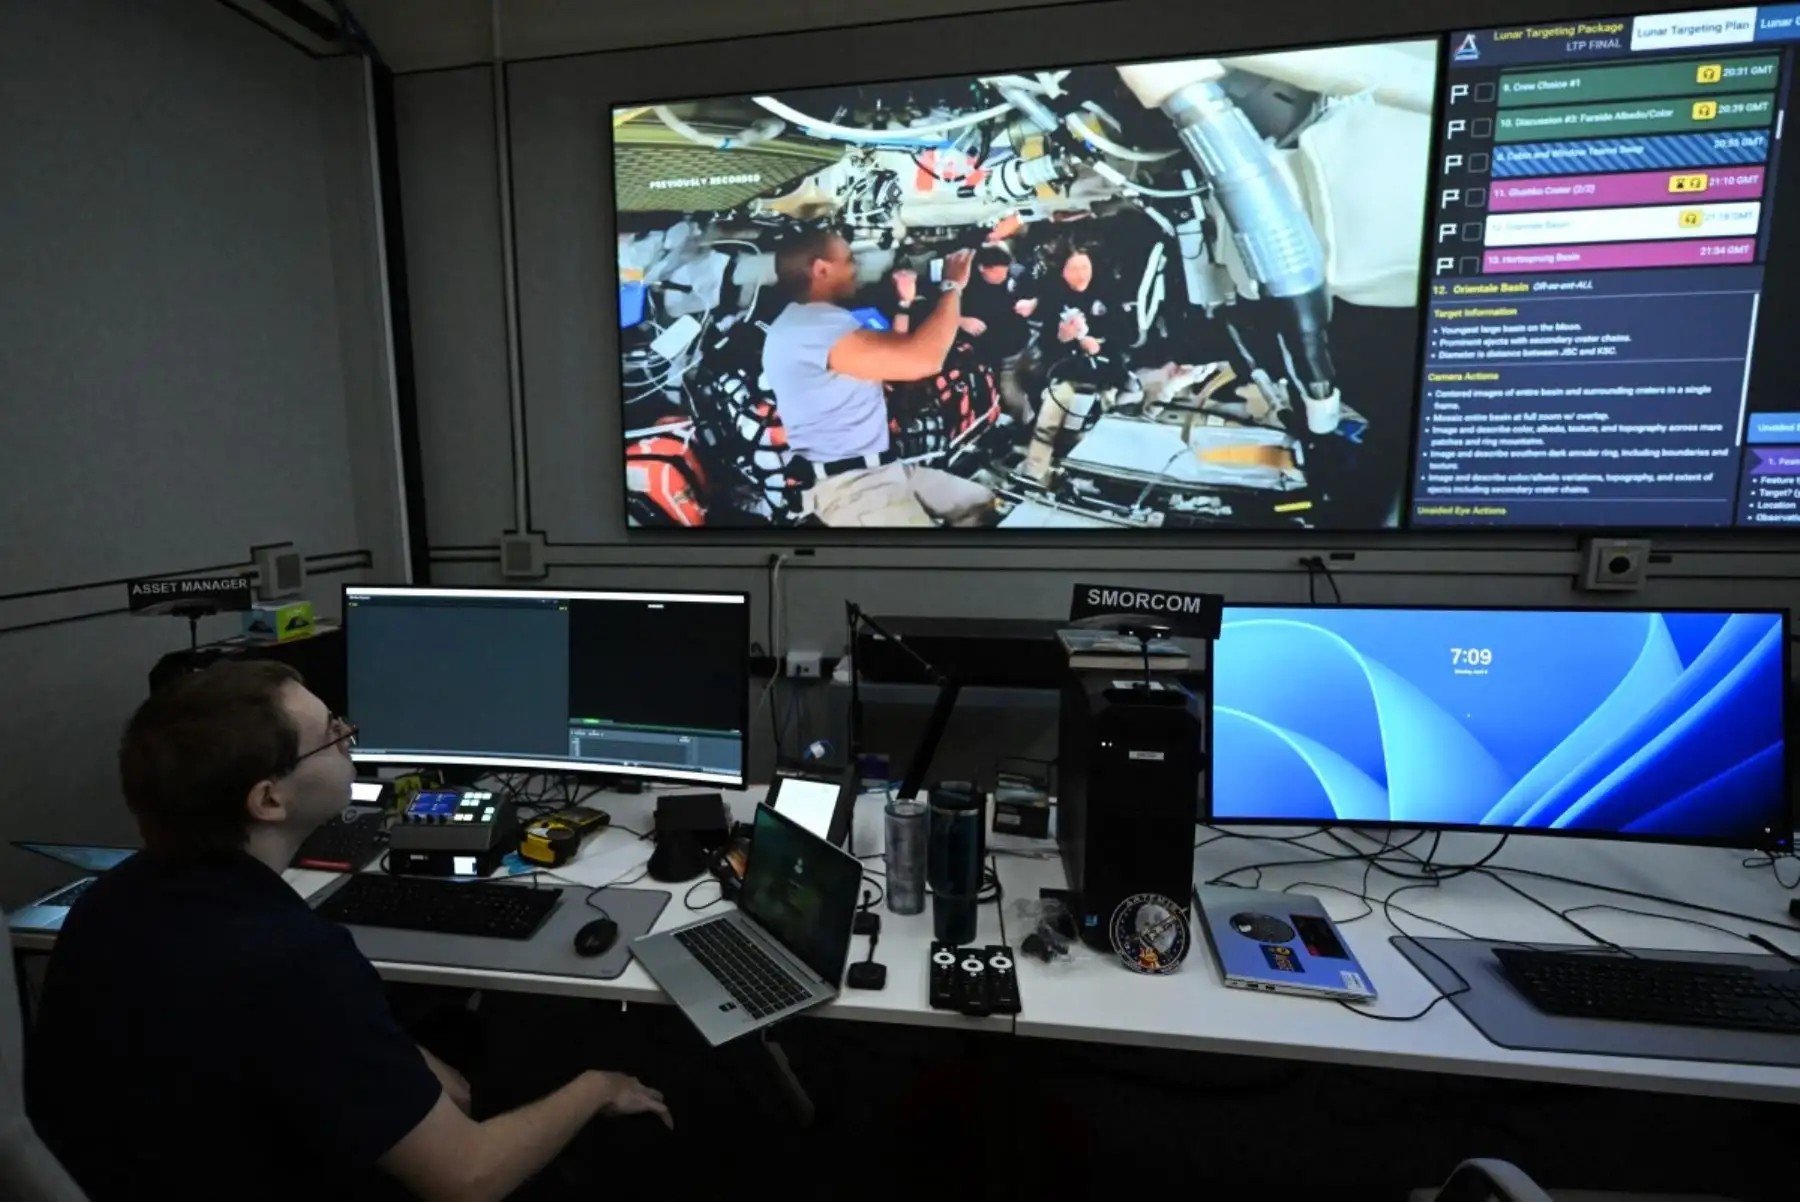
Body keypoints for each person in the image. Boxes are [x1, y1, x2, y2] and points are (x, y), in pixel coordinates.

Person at [25, 661, 672, 1202]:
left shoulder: (111, 902)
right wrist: (598, 1086)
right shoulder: (290, 959)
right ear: (269, 800)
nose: (350, 736)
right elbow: (467, 1178)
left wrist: (405, 1068)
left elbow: (286, 1037)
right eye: (331, 733)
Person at [760, 228, 996, 527]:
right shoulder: (811, 329)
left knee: (980, 505)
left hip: (880, 470)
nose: (855, 267)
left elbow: (895, 352)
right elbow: (924, 359)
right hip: (855, 489)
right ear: (821, 269)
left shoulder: (813, 322)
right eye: (848, 259)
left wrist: (904, 303)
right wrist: (952, 287)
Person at [956, 245, 1033, 422]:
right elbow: (936, 309)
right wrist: (960, 320)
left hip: (1020, 346)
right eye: (997, 273)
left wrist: (1031, 304)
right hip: (990, 356)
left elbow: (1037, 296)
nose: (1002, 277)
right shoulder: (965, 287)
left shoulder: (1013, 283)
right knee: (1008, 393)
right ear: (982, 268)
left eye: (1005, 273)